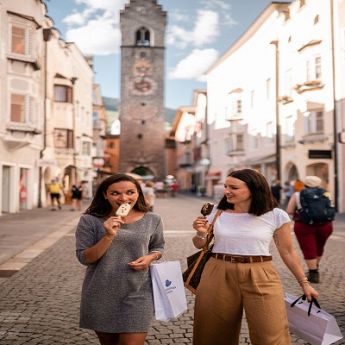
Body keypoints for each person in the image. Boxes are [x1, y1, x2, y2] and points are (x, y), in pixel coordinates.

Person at [191, 168, 318, 345]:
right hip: (217, 272)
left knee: (271, 334)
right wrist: (200, 233)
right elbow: (200, 245)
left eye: (233, 187)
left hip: (261, 273)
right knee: (212, 333)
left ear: (254, 189)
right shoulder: (216, 212)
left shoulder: (276, 215)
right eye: (226, 186)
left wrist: (304, 283)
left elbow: (288, 252)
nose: (226, 191)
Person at [75, 173, 165, 345]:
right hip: (101, 292)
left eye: (130, 192)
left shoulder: (153, 219)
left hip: (139, 290)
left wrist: (150, 257)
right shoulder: (90, 221)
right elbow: (85, 258)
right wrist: (108, 235)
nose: (124, 198)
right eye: (115, 193)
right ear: (105, 195)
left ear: (138, 193)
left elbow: (158, 246)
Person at [286, 175, 333, 283]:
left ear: (305, 184)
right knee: (319, 247)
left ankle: (313, 273)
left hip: (304, 225)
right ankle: (315, 266)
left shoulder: (297, 195)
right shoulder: (326, 193)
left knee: (308, 248)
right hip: (325, 225)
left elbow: (289, 210)